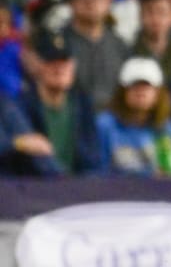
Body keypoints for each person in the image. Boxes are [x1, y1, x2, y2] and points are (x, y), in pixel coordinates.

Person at [11, 30, 102, 175]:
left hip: (80, 188)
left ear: (73, 67)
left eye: (64, 61)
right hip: (34, 189)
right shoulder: (19, 107)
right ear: (37, 65)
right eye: (51, 61)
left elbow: (93, 158)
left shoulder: (83, 104)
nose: (59, 68)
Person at [96, 57, 171, 177]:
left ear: (157, 93)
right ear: (123, 91)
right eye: (134, 85)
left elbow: (170, 175)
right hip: (114, 193)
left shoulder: (167, 128)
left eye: (147, 86)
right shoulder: (105, 125)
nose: (141, 91)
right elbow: (97, 173)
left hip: (156, 194)